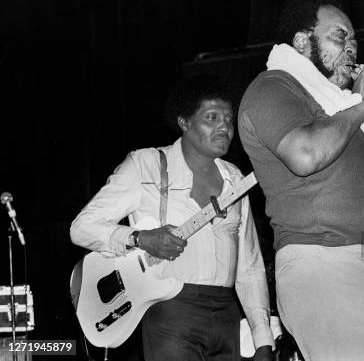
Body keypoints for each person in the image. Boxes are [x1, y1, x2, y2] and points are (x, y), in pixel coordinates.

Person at [238, 0, 364, 360]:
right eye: (340, 37)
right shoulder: (274, 86)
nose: (351, 48)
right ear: (303, 42)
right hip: (327, 264)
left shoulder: (335, 106)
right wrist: (362, 104)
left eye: (354, 41)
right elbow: (304, 154)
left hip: (360, 268)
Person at [70, 73, 274, 361]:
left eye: (228, 119)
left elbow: (250, 266)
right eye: (211, 117)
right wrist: (140, 238)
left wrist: (262, 336)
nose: (224, 127)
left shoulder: (235, 179)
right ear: (184, 122)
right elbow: (81, 228)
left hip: (226, 315)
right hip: (170, 313)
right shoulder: (146, 166)